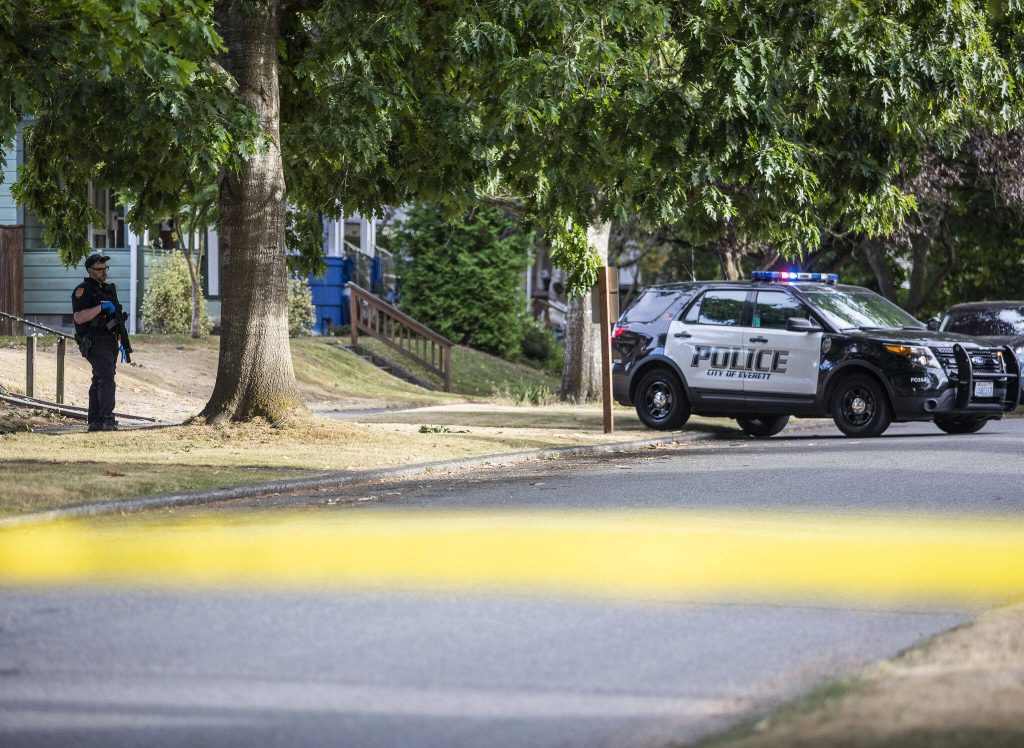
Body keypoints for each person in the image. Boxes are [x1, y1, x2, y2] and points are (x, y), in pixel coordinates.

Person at [71, 253, 124, 431]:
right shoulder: (83, 290)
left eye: (105, 268)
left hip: (110, 341)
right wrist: (101, 307)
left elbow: (116, 317)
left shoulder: (108, 290)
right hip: (94, 341)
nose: (103, 272)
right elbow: (79, 317)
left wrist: (122, 340)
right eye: (99, 269)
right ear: (90, 270)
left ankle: (95, 420)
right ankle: (107, 418)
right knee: (106, 377)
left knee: (99, 378)